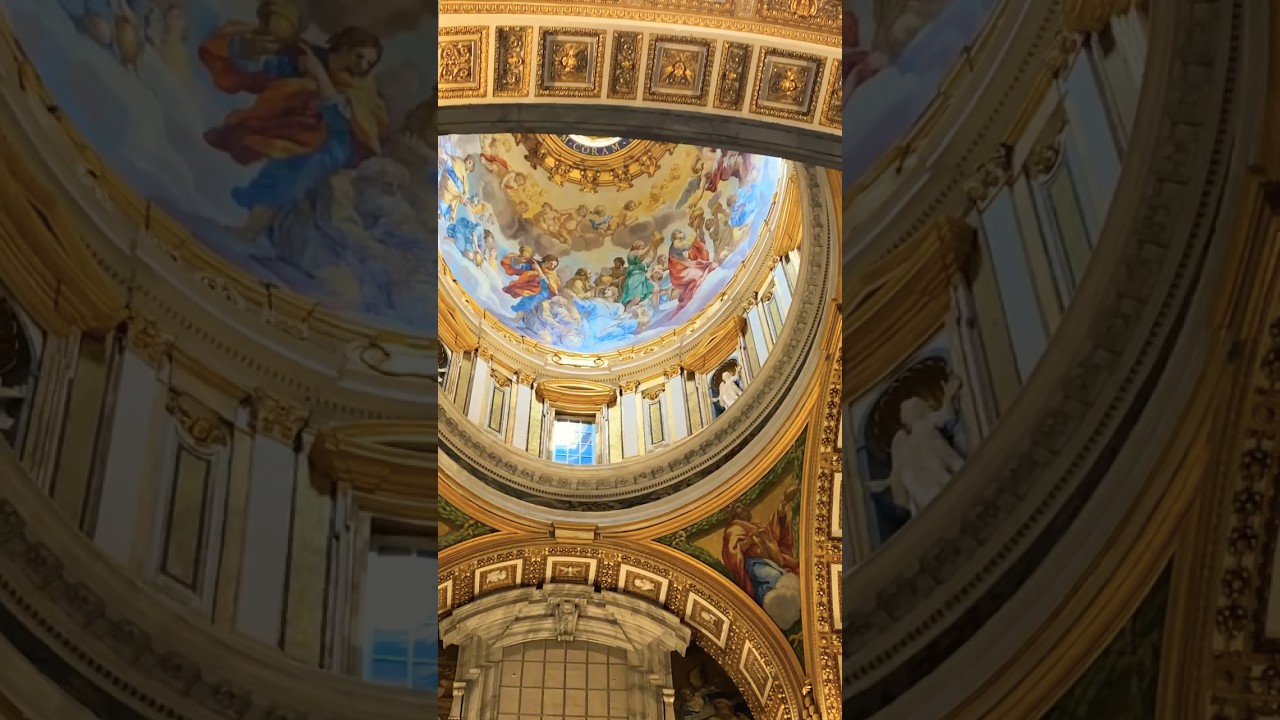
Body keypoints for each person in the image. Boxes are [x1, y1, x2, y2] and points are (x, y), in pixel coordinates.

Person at [199, 13, 388, 240]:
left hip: (333, 143)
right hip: (299, 127)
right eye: (359, 56)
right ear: (345, 46)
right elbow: (267, 68)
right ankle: (249, 227)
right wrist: (249, 50)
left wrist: (318, 75)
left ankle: (251, 231)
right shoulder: (308, 56)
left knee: (291, 173)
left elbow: (340, 119)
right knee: (264, 158)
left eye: (369, 63)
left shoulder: (359, 88)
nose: (362, 65)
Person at [871, 376, 966, 515]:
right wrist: (884, 484)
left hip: (941, 471)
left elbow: (946, 416)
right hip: (938, 477)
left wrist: (949, 397)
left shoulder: (922, 426)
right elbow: (899, 473)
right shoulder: (911, 437)